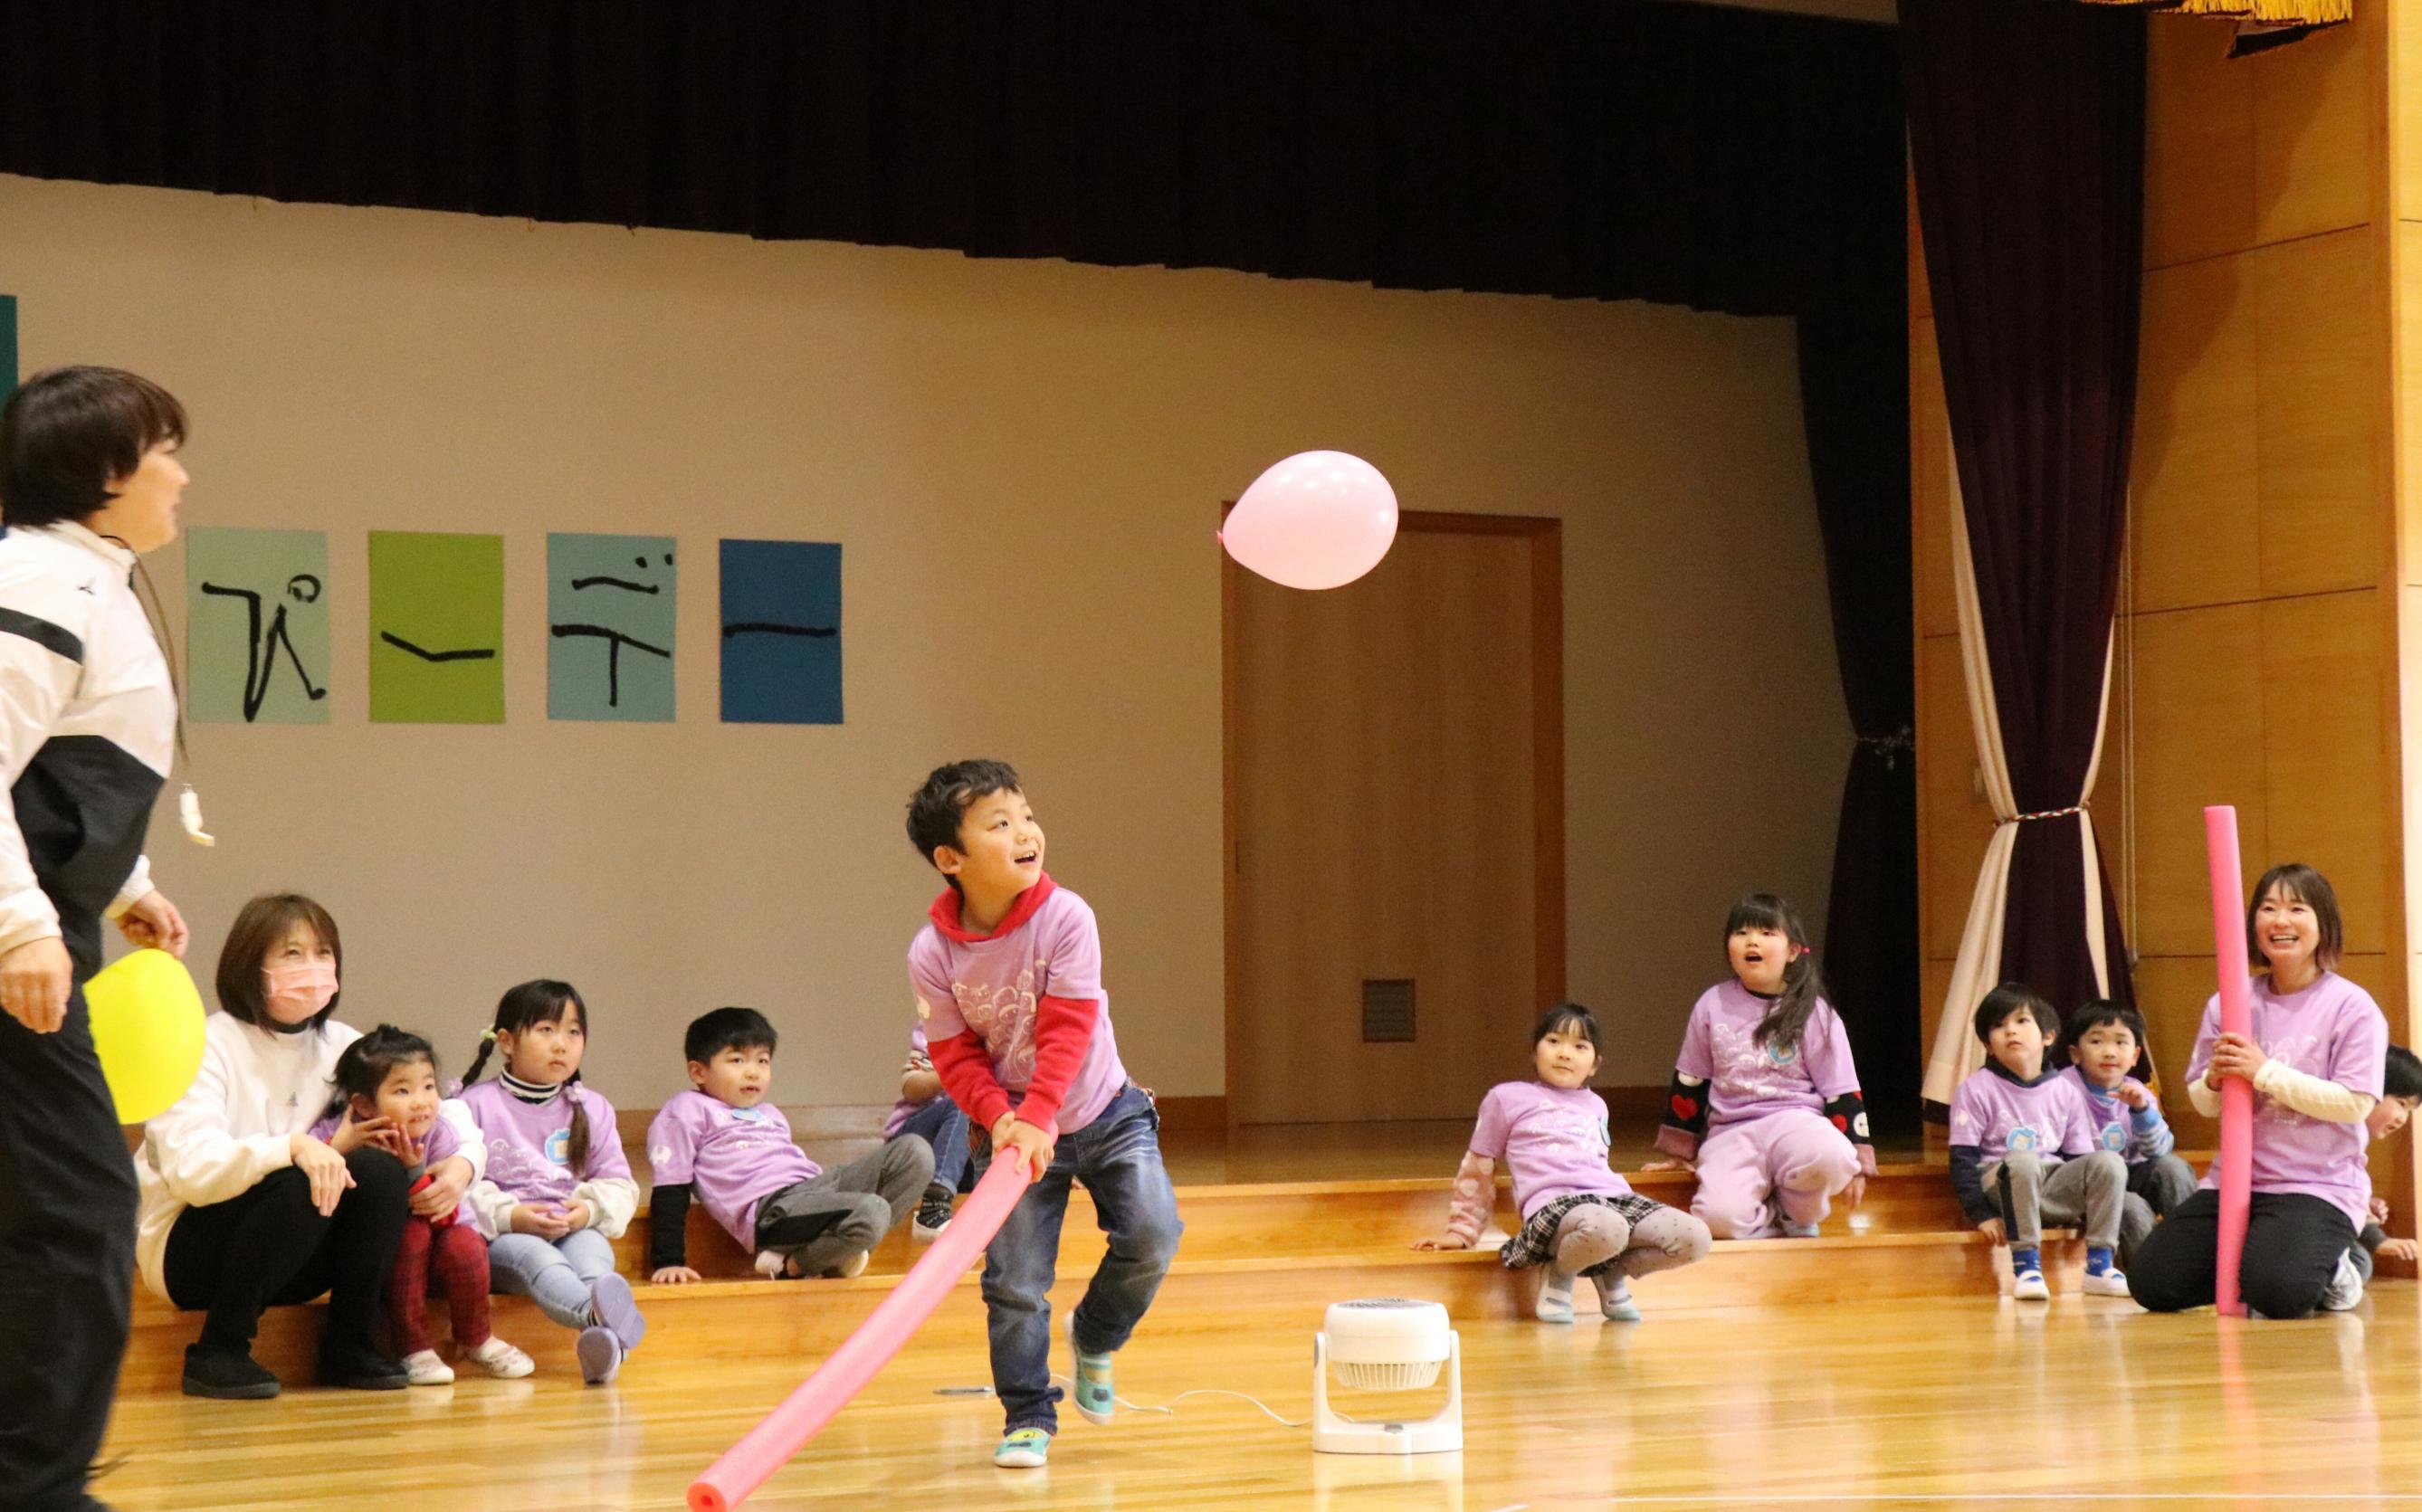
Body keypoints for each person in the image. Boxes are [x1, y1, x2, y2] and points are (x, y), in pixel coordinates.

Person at [0, 366, 196, 1507]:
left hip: (49, 925)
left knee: (51, 1210)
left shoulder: (85, 580)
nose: (181, 473)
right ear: (107, 473)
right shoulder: (43, 576)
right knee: (77, 1211)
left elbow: (54, 773)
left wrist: (128, 882)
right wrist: (23, 928)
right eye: (164, 450)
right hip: (18, 954)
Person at [905, 759, 1181, 1469]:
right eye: (1000, 823)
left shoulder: (1067, 916)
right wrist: (1002, 1118)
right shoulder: (932, 952)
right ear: (950, 859)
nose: (1027, 832)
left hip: (1104, 1110)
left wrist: (1038, 1112)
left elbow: (1068, 1031)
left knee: (1153, 1234)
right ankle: (1028, 1413)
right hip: (1013, 1135)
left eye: (1026, 815)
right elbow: (955, 1057)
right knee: (1015, 1283)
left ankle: (1094, 1333)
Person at [141, 896, 481, 1398]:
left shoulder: (342, 1043)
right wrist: (295, 1147)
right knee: (304, 1176)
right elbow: (192, 1169)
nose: (314, 968)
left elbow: (437, 1104)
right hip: (194, 1252)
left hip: (299, 1252)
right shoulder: (205, 1044)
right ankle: (219, 1351)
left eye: (323, 953)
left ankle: (350, 1343)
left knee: (380, 1172)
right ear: (249, 965)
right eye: (293, 954)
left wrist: (463, 1165)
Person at [2131, 865, 2391, 1319]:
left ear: (2323, 923)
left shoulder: (2352, 1006)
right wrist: (2215, 1080)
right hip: (2236, 1181)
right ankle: (2266, 1258)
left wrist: (2264, 1072)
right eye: (2268, 909)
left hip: (2318, 1186)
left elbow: (2354, 1104)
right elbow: (2205, 1102)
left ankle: (2334, 1270)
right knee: (2153, 1282)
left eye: (2296, 908)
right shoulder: (2229, 1001)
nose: (2280, 921)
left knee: (2278, 1295)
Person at [1417, 1002, 1711, 1323]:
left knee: (1694, 1237)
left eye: (1579, 1046)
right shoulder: (1506, 1098)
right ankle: (1559, 1273)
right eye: (1554, 1041)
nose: (1565, 1053)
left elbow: (1597, 1162)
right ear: (1535, 1051)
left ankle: (1611, 1269)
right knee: (1605, 1227)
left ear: (1595, 1064)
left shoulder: (1597, 1105)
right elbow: (1478, 1167)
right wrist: (1462, 1231)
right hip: (1556, 1206)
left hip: (1613, 1198)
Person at [1643, 893, 1874, 1238]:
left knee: (1835, 1156)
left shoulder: (1815, 1012)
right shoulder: (1711, 1004)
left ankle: (1797, 1211)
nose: (1753, 940)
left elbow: (1841, 1089)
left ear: (1793, 952)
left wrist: (1860, 1162)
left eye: (1767, 933)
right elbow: (1690, 1081)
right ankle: (1771, 1217)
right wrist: (1678, 1152)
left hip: (1795, 1124)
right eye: (1742, 933)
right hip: (1731, 1132)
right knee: (1717, 1220)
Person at [309, 1025, 530, 1383]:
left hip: (444, 1232)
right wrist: (341, 1147)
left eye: (428, 1086)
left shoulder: (439, 1132)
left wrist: (417, 1171)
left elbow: (444, 1213)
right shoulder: (340, 1131)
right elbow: (307, 1169)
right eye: (402, 1090)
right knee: (410, 1236)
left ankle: (477, 1336)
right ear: (363, 1104)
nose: (421, 1101)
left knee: (466, 1244)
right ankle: (413, 1346)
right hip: (390, 1254)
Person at [647, 1006, 930, 1283]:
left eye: (762, 1061)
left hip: (815, 1188)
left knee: (915, 1152)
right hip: (771, 1209)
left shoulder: (770, 1114)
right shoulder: (685, 1110)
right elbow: (670, 1186)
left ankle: (838, 1252)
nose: (753, 1072)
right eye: (737, 1060)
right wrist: (669, 1260)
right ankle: (791, 1267)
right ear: (698, 1072)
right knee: (872, 1211)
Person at [457, 980, 644, 1384]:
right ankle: (596, 1316)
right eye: (546, 1030)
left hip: (570, 1224)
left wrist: (588, 1211)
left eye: (573, 1032)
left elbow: (620, 1182)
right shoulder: (471, 1106)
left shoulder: (593, 1108)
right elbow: (460, 1187)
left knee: (593, 1259)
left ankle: (605, 1348)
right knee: (543, 1261)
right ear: (506, 1041)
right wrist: (513, 1216)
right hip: (505, 1237)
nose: (562, 1044)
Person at [1946, 984, 2130, 1301]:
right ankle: (2027, 1266)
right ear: (1988, 1045)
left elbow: (2079, 1158)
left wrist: (2082, 1205)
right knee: (2024, 1160)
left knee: (2108, 1161)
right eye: (1998, 1026)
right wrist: (1981, 1215)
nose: (2010, 1032)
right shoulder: (1975, 1089)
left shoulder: (2065, 1091)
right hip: (2001, 1181)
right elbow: (1962, 1159)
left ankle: (2099, 1266)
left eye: (2021, 1021)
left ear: (2048, 1036)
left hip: (2049, 1183)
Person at [2056, 999, 2195, 1265]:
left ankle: (2191, 1262)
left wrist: (2141, 1110)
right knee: (2129, 1206)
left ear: (2135, 1056)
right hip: (2085, 1186)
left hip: (2130, 1173)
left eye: (2121, 1042)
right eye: (2097, 1042)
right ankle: (2156, 1276)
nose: (2109, 1052)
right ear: (2075, 1054)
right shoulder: (2061, 1088)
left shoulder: (2138, 1091)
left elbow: (2159, 1151)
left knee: (2173, 1168)